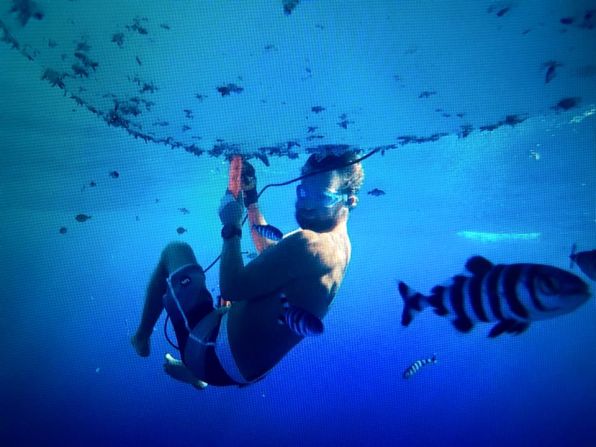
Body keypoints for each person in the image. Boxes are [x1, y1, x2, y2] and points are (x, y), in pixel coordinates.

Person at [131, 152, 364, 388]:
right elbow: (272, 255)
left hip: (212, 354)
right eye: (304, 191)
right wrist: (251, 199)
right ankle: (197, 375)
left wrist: (231, 226)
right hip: (244, 372)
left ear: (350, 200)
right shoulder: (341, 247)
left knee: (175, 251)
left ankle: (142, 338)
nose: (307, 204)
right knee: (231, 310)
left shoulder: (310, 243)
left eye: (321, 197)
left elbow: (232, 287)